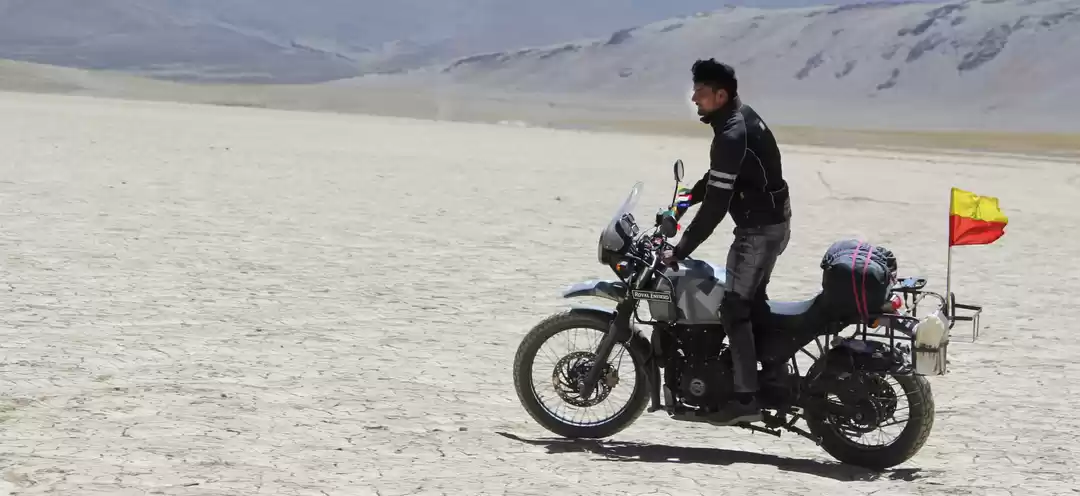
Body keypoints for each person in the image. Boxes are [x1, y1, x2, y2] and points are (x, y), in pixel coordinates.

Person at [663, 58, 792, 425]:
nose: (694, 98)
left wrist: (680, 249)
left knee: (734, 308)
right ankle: (771, 375)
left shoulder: (733, 134)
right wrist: (681, 204)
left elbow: (718, 205)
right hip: (771, 222)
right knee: (751, 304)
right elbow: (716, 180)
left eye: (701, 93)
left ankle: (747, 397)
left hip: (758, 231)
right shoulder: (737, 119)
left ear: (721, 95)